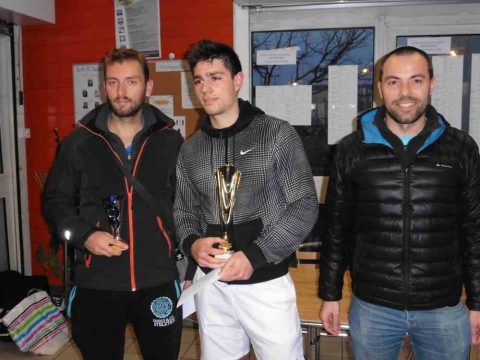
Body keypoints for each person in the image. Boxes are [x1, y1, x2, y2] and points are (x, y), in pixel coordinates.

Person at [319, 45, 480, 359]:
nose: (405, 92)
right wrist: (330, 295)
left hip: (443, 308)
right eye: (394, 82)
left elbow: (474, 230)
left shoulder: (461, 148)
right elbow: (337, 229)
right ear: (380, 88)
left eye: (416, 81)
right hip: (374, 308)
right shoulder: (351, 150)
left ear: (432, 84)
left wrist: (478, 302)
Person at [174, 39, 318, 360]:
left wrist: (255, 255)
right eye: (198, 80)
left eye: (215, 77)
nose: (206, 88)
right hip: (211, 283)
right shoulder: (191, 149)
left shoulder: (275, 134)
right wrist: (192, 247)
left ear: (237, 81)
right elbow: (183, 210)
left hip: (264, 279)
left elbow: (304, 204)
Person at [43, 48, 183, 360]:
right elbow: (55, 202)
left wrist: (188, 258)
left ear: (147, 87)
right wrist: (84, 236)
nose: (121, 92)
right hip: (97, 281)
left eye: (131, 81)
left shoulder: (171, 143)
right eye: (113, 82)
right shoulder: (78, 144)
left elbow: (185, 206)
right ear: (104, 86)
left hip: (156, 279)